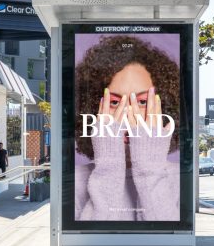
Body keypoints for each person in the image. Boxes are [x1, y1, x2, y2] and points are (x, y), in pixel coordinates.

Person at [74, 35, 180, 221]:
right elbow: (88, 243)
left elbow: (171, 241)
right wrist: (108, 165)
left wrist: (150, 169)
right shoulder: (76, 182)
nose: (129, 116)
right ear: (93, 108)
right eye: (115, 102)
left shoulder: (180, 179)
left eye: (141, 101)